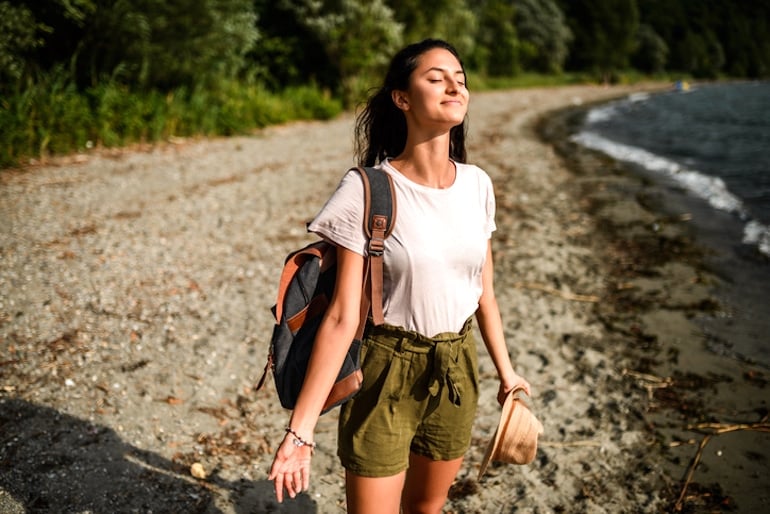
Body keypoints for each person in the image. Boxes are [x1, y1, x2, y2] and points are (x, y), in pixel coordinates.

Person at [268, 38, 531, 514]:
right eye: (436, 78)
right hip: (386, 370)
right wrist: (300, 431)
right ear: (402, 99)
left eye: (461, 79)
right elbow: (343, 317)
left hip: (457, 366)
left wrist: (507, 375)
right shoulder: (367, 189)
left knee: (427, 508)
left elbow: (483, 293)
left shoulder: (477, 185)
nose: (454, 86)